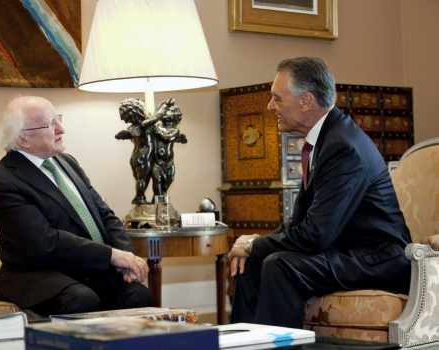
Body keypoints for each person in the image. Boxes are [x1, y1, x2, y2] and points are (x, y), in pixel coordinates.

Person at [229, 57, 411, 328]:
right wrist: (255, 244)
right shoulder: (325, 139)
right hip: (346, 251)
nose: (270, 107)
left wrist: (255, 245)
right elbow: (301, 223)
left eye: (277, 99)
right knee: (250, 262)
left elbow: (315, 235)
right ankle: (245, 344)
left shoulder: (343, 147)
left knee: (280, 265)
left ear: (306, 101)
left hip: (378, 259)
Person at [0, 96, 152, 316]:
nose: (61, 129)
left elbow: (105, 215)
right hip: (35, 275)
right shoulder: (3, 182)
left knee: (138, 295)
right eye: (50, 124)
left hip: (84, 269)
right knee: (81, 299)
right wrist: (111, 255)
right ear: (24, 139)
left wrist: (126, 257)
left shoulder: (67, 162)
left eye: (58, 119)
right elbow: (44, 242)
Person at [151, 98, 187, 196]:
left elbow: (166, 136)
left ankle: (160, 203)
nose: (168, 118)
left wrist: (156, 127)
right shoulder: (156, 129)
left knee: (168, 181)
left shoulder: (174, 131)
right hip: (157, 163)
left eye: (171, 115)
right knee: (157, 182)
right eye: (166, 114)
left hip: (169, 163)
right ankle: (158, 202)